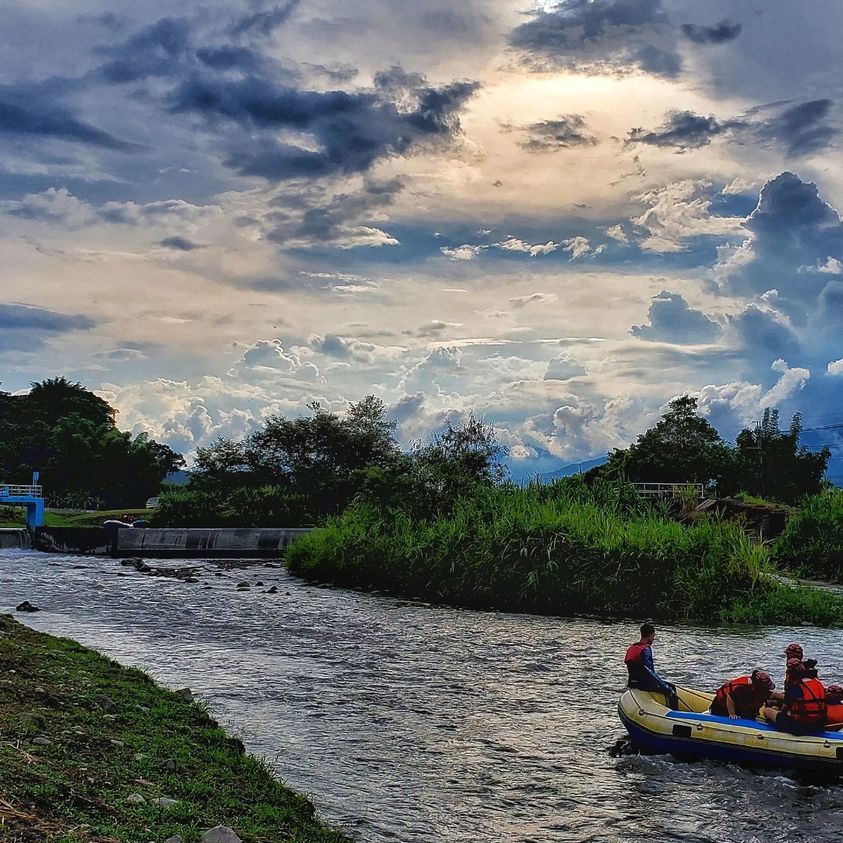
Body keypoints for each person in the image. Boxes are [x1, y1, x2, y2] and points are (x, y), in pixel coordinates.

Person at [763, 659, 827, 734]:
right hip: (819, 725)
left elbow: (784, 711)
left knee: (767, 710)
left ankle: (771, 729)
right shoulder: (817, 683)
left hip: (799, 727)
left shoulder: (794, 687)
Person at [624, 622, 679, 709]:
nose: (653, 639)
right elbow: (651, 672)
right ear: (649, 635)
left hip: (632, 683)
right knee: (671, 688)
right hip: (644, 685)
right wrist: (667, 688)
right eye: (653, 636)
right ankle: (675, 713)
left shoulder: (632, 648)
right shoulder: (646, 649)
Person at [710, 670, 775, 720]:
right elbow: (730, 697)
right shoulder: (746, 689)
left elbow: (768, 694)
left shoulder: (757, 688)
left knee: (751, 714)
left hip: (738, 702)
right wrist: (732, 714)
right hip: (720, 708)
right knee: (748, 715)